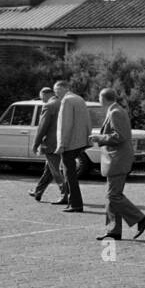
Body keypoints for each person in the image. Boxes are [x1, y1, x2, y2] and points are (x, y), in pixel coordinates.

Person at [91, 88, 145, 241]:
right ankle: (113, 230)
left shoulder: (115, 112)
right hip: (115, 159)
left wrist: (100, 138)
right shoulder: (115, 110)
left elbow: (120, 136)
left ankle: (141, 219)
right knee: (111, 196)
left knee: (113, 196)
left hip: (117, 160)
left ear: (103, 99)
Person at [55, 80, 89, 213]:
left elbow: (65, 125)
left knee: (69, 175)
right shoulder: (79, 99)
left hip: (70, 143)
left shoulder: (67, 101)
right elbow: (87, 120)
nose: (56, 94)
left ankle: (75, 204)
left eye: (57, 90)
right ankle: (71, 201)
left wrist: (62, 144)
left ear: (64, 88)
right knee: (69, 173)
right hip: (80, 142)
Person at [29, 86, 68, 203]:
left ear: (46, 94)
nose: (42, 101)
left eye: (42, 98)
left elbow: (42, 127)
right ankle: (38, 191)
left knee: (55, 170)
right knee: (49, 169)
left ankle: (65, 194)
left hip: (51, 143)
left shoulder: (49, 106)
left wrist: (36, 144)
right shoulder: (63, 103)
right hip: (63, 141)